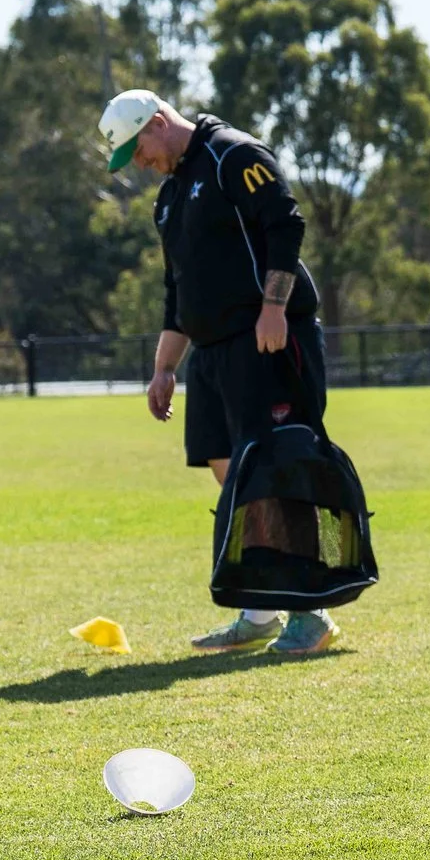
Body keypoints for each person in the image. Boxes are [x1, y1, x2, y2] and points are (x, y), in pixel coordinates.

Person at [99, 89, 342, 657]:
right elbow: (176, 291)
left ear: (158, 122)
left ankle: (312, 612)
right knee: (229, 470)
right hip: (211, 354)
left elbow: (286, 224)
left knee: (279, 466)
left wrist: (275, 307)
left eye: (138, 150)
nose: (139, 163)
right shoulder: (170, 197)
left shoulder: (233, 155)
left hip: (268, 339)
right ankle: (260, 610)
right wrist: (164, 367)